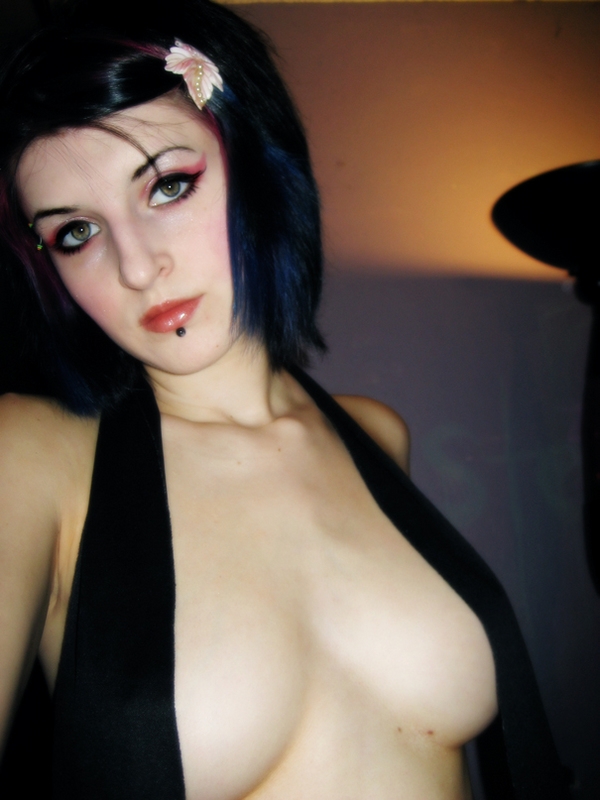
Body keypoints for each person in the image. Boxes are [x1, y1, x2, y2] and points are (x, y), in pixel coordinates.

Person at [0, 1, 570, 798]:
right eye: (76, 233)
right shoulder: (31, 456)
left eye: (168, 186)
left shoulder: (377, 435)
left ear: (258, 167)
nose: (136, 267)